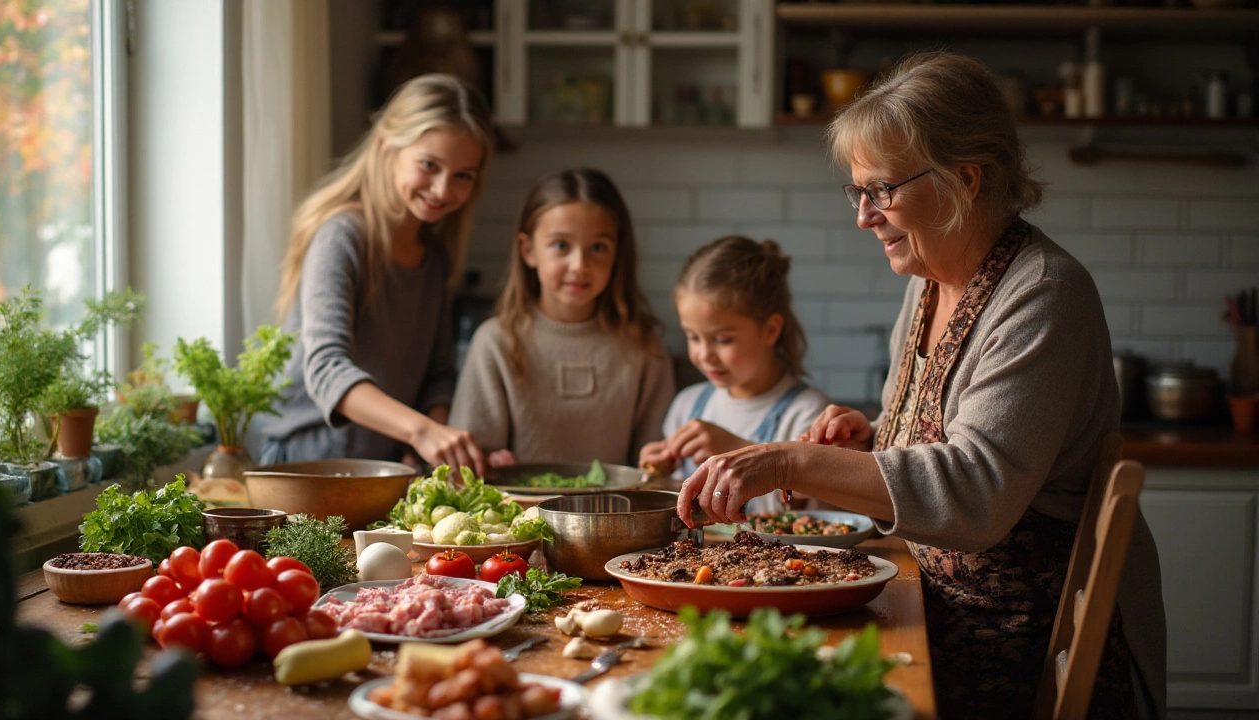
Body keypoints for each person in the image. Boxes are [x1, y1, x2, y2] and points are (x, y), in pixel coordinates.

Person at [676, 52, 1165, 719]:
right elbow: (939, 445)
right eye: (858, 193)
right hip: (944, 611)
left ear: (964, 181)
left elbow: (974, 494)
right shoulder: (931, 283)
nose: (864, 217)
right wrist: (872, 441)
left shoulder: (1044, 295)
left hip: (1008, 643)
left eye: (881, 191)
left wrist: (790, 460)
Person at [256, 73, 494, 474]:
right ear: (387, 149)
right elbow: (326, 369)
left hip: (381, 469)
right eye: (429, 165)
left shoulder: (433, 256)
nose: (441, 189)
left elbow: (437, 375)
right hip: (306, 464)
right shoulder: (341, 236)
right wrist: (421, 431)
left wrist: (432, 439)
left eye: (463, 176)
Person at [450, 168, 675, 466]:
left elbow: (656, 465)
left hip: (615, 512)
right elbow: (467, 464)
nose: (579, 265)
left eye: (598, 247)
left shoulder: (644, 347)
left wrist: (661, 461)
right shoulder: (495, 342)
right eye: (560, 246)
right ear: (528, 251)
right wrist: (488, 463)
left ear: (617, 253)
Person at [638, 235, 830, 513]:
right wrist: (655, 476)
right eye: (693, 337)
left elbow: (812, 517)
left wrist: (743, 453)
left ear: (770, 330)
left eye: (723, 339)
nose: (704, 354)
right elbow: (675, 507)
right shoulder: (687, 406)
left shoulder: (808, 414)